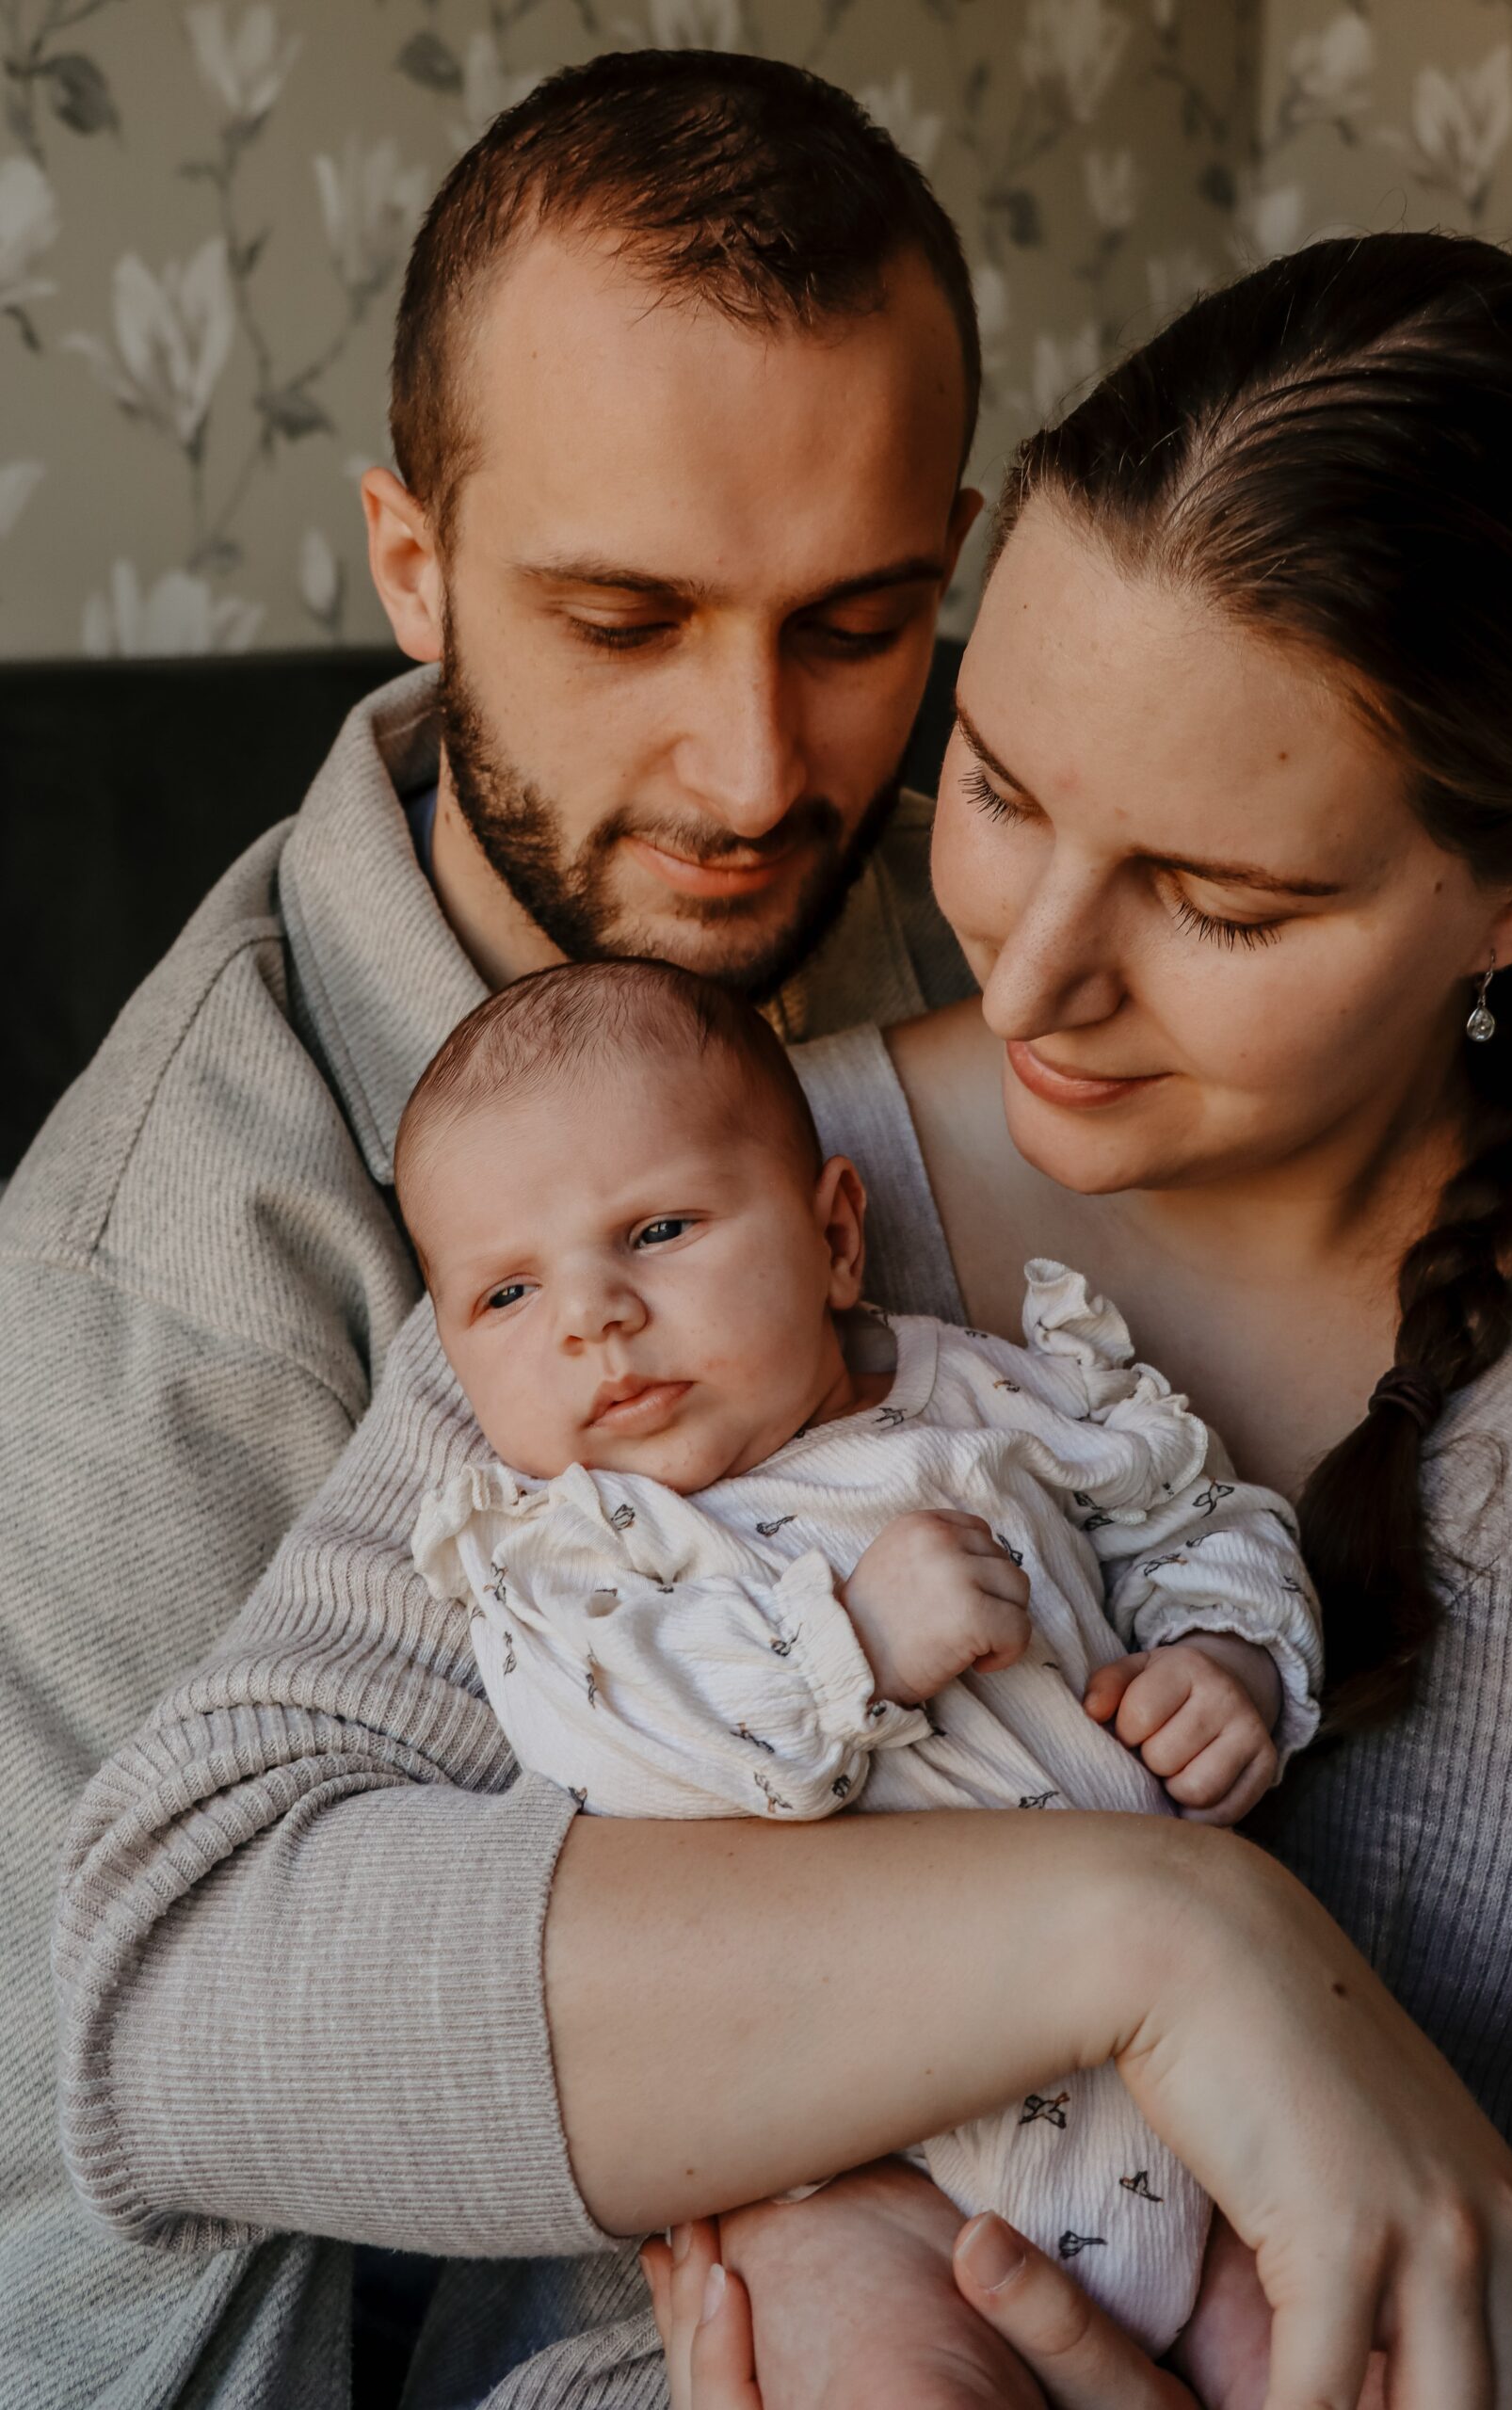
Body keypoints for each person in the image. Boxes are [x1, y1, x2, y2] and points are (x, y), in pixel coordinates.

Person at [40, 217, 1512, 2410]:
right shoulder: (678, 1233)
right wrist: (1157, 1939)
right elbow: (176, 1992)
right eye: (1004, 787)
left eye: (1217, 899)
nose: (1024, 977)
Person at [2, 48, 987, 2408]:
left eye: (856, 622)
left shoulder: (978, 920)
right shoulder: (144, 1298)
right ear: (411, 565)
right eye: (629, 620)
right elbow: (93, 2283)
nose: (758, 778)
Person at [395, 957, 1320, 2354]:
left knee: (1347, 2357)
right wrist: (856, 1645)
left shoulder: (985, 1393)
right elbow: (619, 1751)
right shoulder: (579, 1555)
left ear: (836, 1237)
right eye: (507, 1295)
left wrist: (1225, 1652)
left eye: (656, 1227)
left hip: (1181, 2102)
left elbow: (1188, 1507)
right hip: (863, 2166)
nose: (591, 1314)